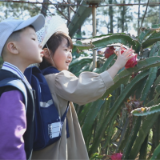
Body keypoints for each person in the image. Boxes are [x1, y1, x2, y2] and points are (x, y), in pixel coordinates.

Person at [32, 16, 135, 160]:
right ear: (47, 53)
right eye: (65, 49)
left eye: (70, 50)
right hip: (58, 149)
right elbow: (86, 88)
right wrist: (117, 65)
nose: (70, 55)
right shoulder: (58, 78)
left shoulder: (41, 77)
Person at [0, 14, 45, 160]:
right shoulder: (13, 88)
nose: (40, 45)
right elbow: (11, 145)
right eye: (33, 39)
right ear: (13, 47)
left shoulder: (13, 82)